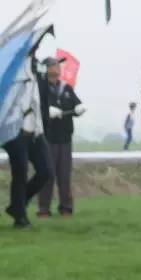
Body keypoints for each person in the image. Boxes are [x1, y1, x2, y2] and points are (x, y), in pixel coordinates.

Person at [1, 63, 53, 229]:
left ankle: (17, 205)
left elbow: (41, 103)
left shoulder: (38, 75)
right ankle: (20, 217)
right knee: (20, 173)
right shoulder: (10, 75)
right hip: (15, 132)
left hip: (35, 132)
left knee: (46, 172)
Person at [36, 56, 85, 217]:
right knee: (48, 174)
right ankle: (44, 209)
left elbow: (75, 104)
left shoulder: (66, 88)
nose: (57, 68)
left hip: (65, 137)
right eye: (54, 66)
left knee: (64, 175)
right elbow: (36, 110)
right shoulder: (40, 89)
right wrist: (47, 113)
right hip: (48, 138)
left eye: (58, 66)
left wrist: (78, 108)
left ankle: (66, 207)